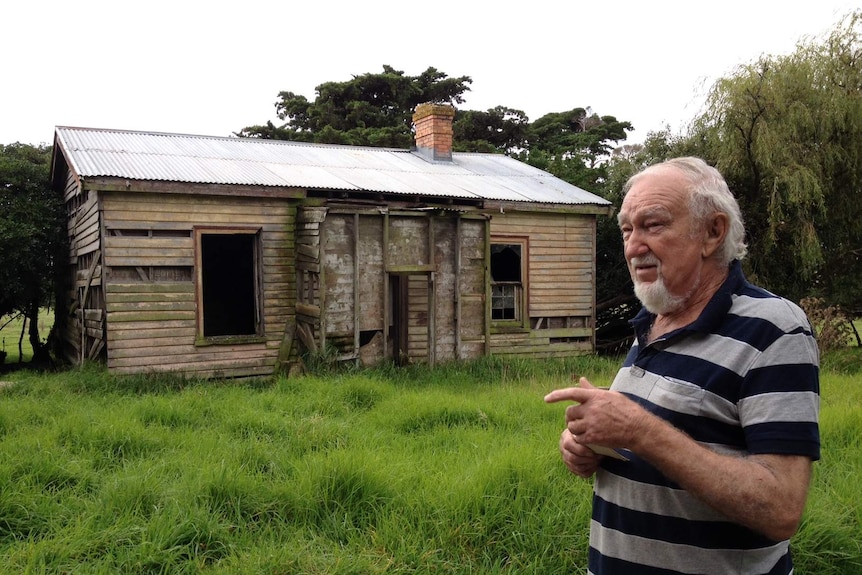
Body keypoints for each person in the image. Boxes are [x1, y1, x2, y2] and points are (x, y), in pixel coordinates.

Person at [545, 157, 820, 574]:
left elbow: (780, 509)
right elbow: (661, 442)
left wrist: (639, 429)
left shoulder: (775, 330)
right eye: (626, 230)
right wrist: (591, 449)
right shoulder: (654, 320)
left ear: (713, 232)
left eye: (652, 225)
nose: (634, 246)